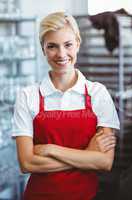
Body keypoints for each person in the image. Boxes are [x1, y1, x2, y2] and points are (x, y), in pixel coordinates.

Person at [12, 11, 120, 200]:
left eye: (68, 45)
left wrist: (51, 150)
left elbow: (104, 161)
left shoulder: (98, 93)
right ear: (43, 49)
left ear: (78, 43)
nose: (61, 54)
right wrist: (87, 155)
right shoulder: (27, 96)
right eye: (52, 46)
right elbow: (27, 163)